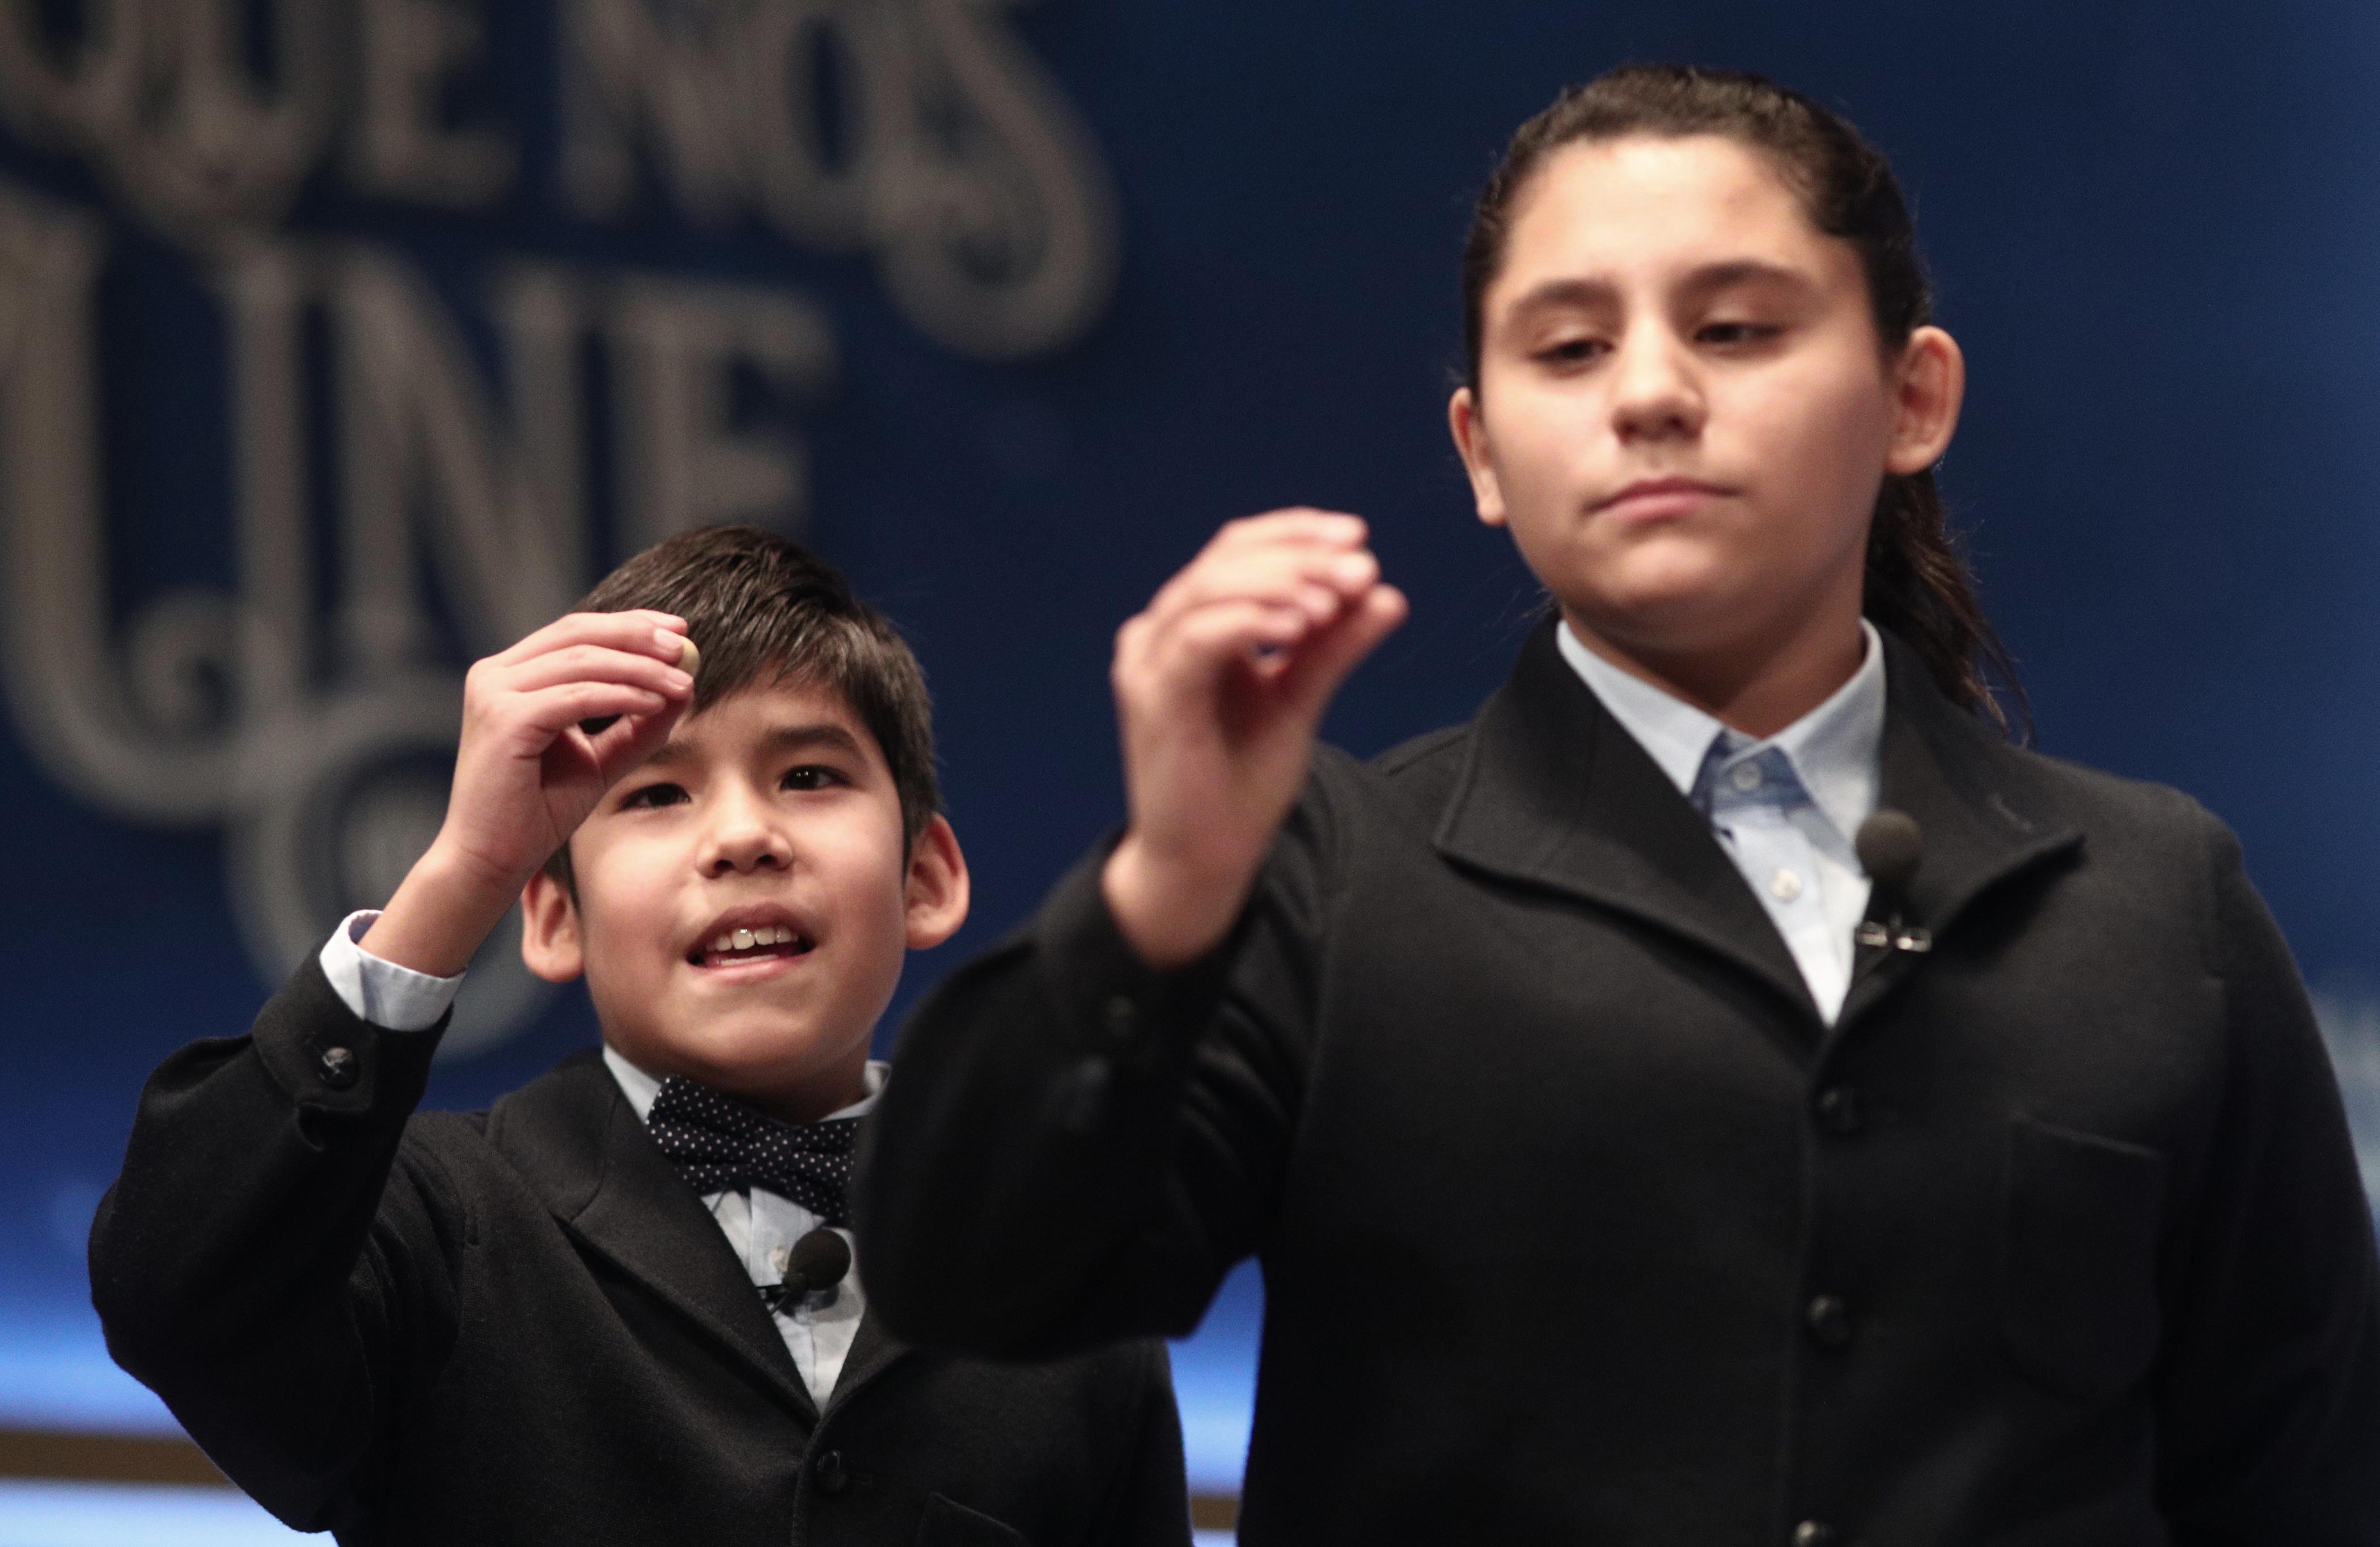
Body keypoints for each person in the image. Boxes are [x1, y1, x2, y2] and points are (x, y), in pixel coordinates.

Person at [854, 66, 2380, 1544]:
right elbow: (971, 1276)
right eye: (1567, 350)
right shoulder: (1326, 876)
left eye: (1731, 328)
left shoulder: (2148, 899)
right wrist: (1168, 883)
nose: (1648, 394)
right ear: (1479, 453)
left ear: (1910, 397)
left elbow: (2298, 1482)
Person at [90, 526, 1191, 1546]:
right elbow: (176, 1291)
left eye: (809, 776)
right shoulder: (438, 1219)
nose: (745, 835)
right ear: (554, 915)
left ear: (927, 876)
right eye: (656, 793)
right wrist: (464, 868)